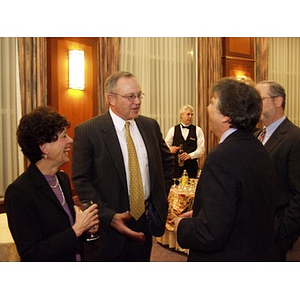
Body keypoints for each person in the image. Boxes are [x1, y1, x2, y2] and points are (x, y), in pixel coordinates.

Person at [71, 71, 174, 261]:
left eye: (139, 95)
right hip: (107, 229)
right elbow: (81, 180)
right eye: (130, 96)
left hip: (144, 221)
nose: (137, 101)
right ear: (111, 99)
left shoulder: (150, 126)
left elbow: (167, 163)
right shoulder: (88, 131)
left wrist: (159, 196)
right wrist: (108, 216)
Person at [174, 78, 277, 261]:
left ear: (226, 115)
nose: (207, 108)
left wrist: (182, 226)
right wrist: (200, 213)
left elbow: (210, 235)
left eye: (212, 102)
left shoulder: (222, 157)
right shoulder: (258, 147)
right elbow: (240, 206)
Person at [4, 106, 99, 262]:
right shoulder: (19, 192)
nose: (70, 140)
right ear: (44, 147)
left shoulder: (61, 179)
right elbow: (32, 253)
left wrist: (86, 229)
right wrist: (77, 230)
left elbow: (66, 232)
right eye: (63, 136)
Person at [256, 80, 300, 261]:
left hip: (275, 235)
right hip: (253, 231)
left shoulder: (295, 138)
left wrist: (282, 232)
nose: (255, 105)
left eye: (260, 99)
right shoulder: (256, 135)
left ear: (278, 101)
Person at [165, 104, 205, 178]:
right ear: (181, 115)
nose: (190, 117)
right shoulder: (173, 130)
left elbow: (201, 149)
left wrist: (190, 155)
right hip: (176, 168)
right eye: (188, 114)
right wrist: (170, 148)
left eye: (192, 114)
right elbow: (165, 145)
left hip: (191, 167)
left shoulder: (198, 130)